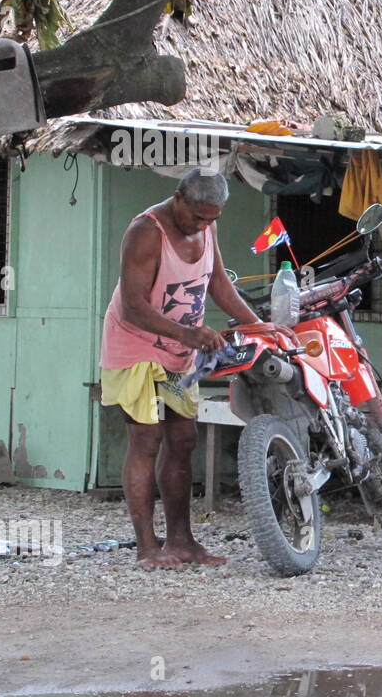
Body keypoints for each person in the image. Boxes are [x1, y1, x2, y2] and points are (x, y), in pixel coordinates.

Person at [100, 169, 264, 570]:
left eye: (212, 219)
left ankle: (182, 541)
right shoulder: (145, 231)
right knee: (146, 439)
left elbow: (219, 284)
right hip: (135, 345)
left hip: (179, 348)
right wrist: (188, 334)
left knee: (184, 439)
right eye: (197, 217)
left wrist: (257, 325)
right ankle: (146, 548)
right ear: (178, 199)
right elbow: (133, 307)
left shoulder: (207, 226)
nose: (204, 225)